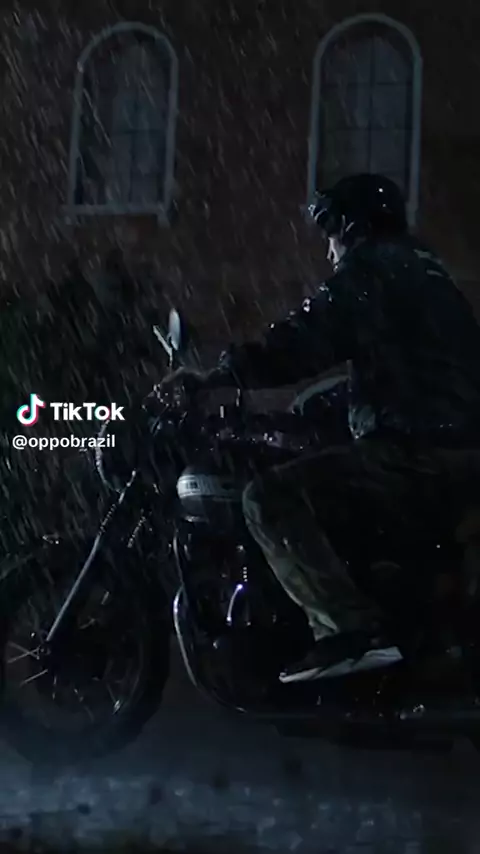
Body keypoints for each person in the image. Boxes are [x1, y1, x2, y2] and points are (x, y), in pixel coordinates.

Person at [158, 173, 480, 682]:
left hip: (415, 452)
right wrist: (297, 414)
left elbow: (303, 340)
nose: (329, 250)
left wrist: (216, 378)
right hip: (456, 449)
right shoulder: (426, 273)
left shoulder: (372, 269)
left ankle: (349, 631)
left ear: (351, 226)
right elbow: (397, 373)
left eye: (330, 232)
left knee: (267, 498)